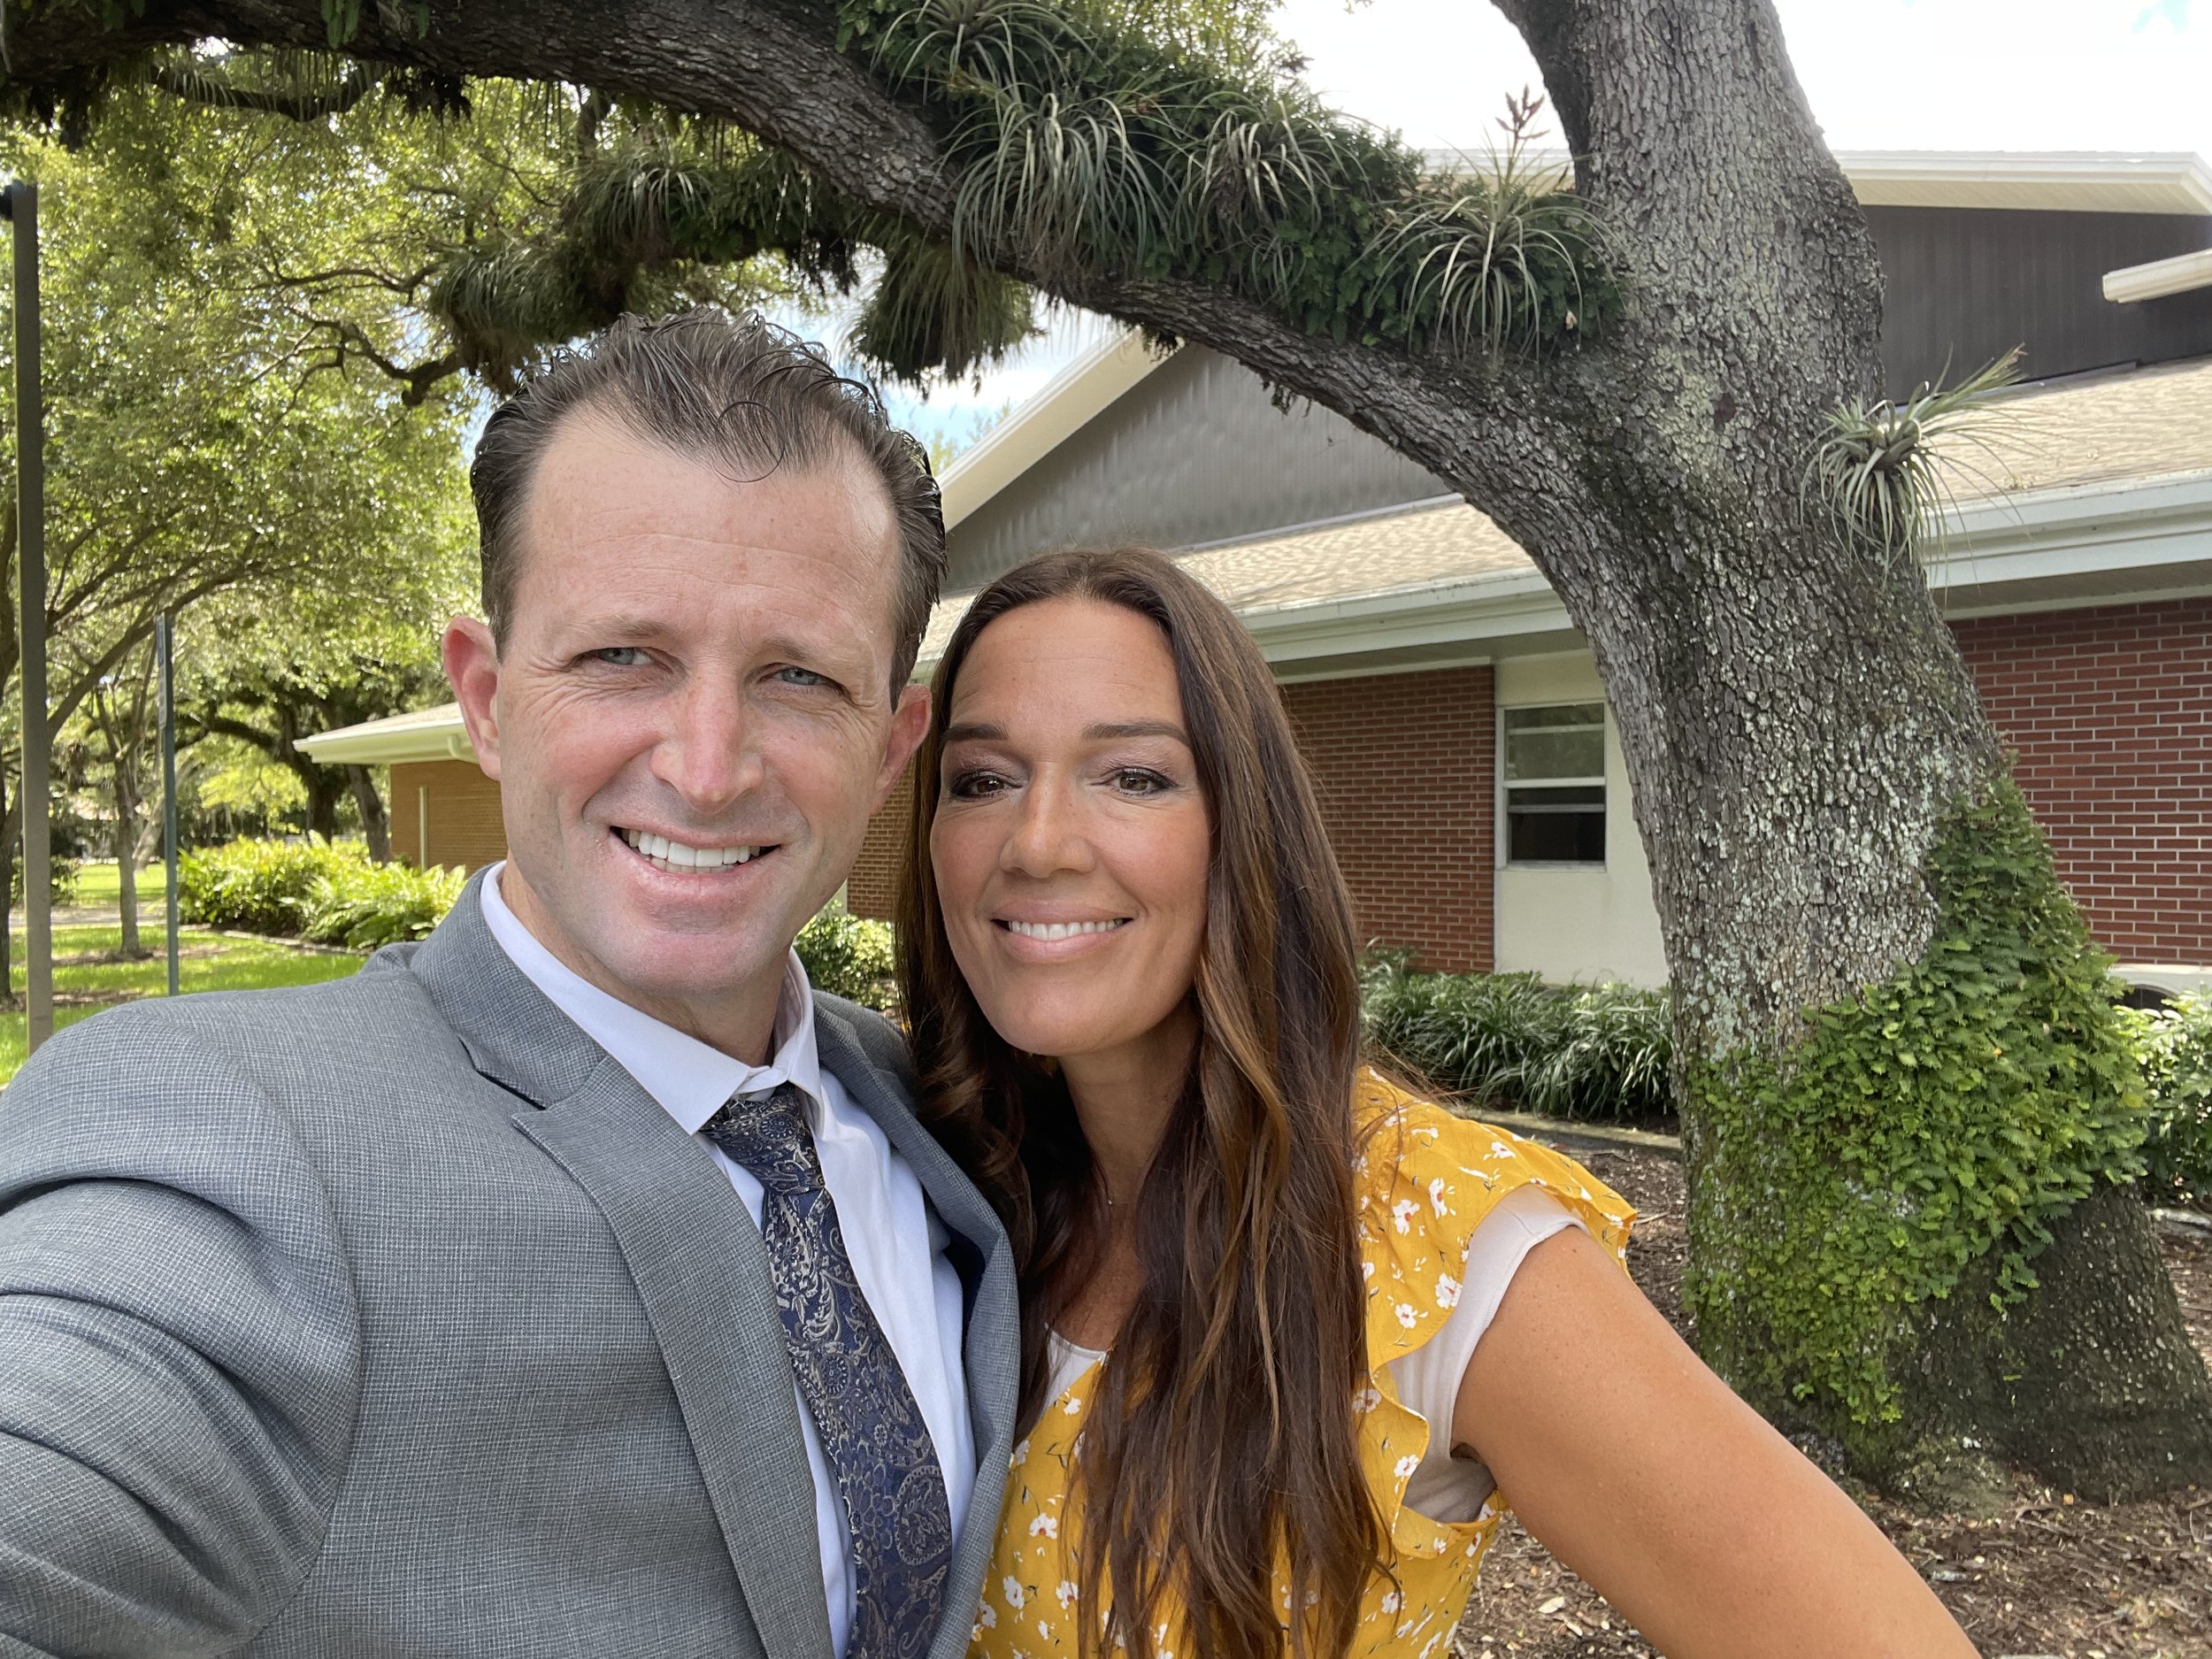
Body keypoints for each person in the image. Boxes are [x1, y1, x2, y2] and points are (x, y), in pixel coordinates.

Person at [0, 311, 1015, 1659]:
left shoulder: (917, 1097)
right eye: (621, 657)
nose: (708, 766)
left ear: (891, 745)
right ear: (485, 699)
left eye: (797, 675)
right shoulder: (228, 1137)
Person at [898, 547, 1979, 1659]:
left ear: (1245, 830)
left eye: (1133, 777)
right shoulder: (931, 1176)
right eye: (981, 780)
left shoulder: (1437, 1244)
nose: (1036, 843)